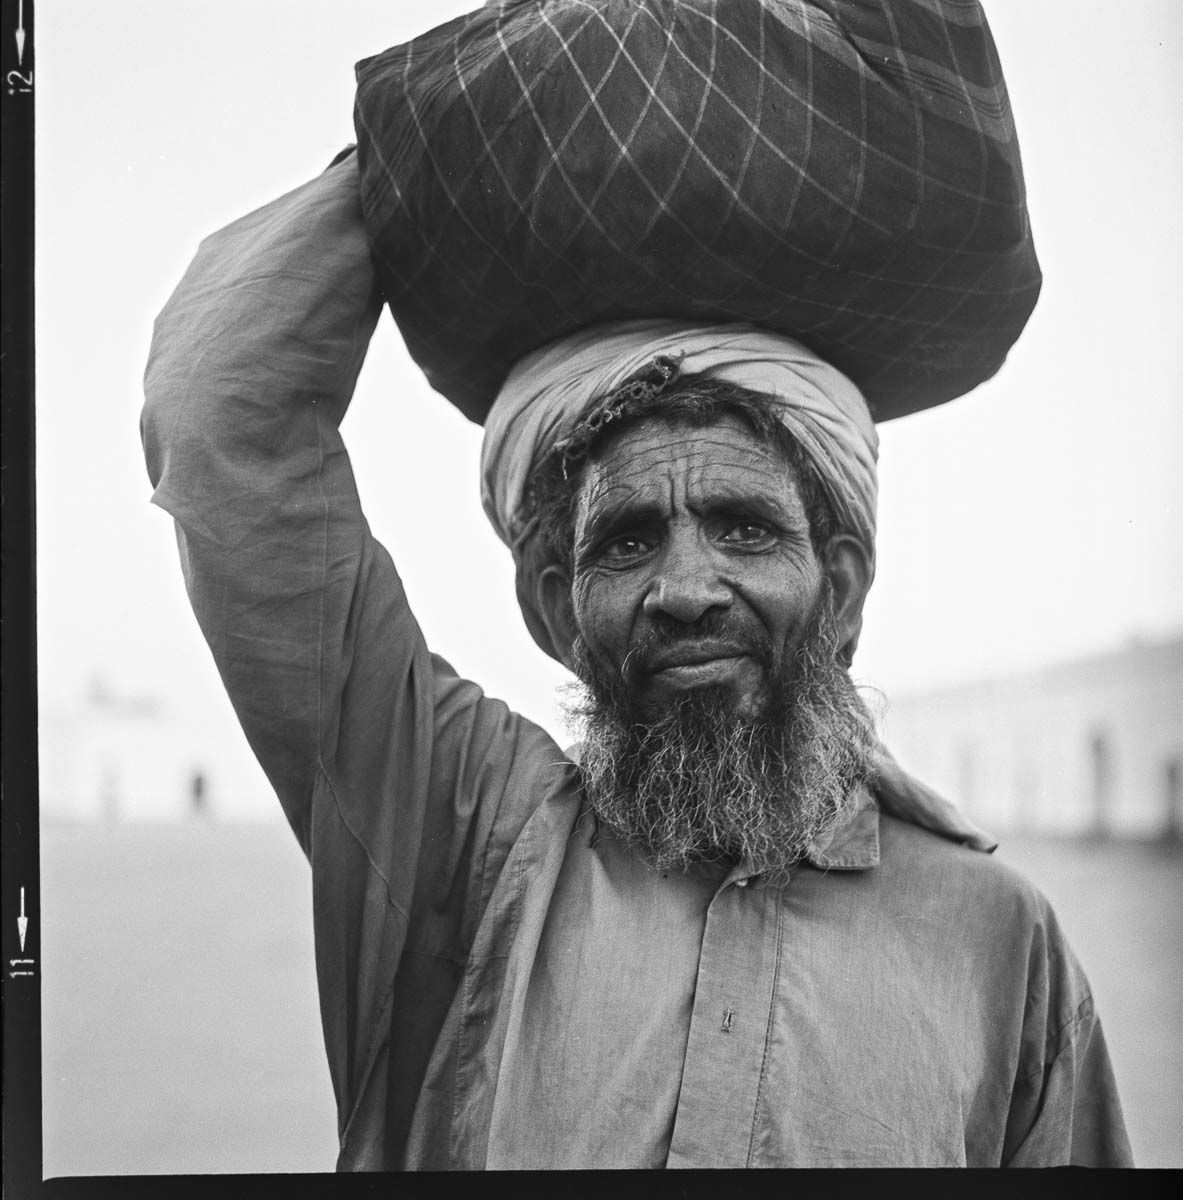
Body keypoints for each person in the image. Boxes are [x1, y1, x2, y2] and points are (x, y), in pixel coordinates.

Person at [142, 152, 1132, 1170]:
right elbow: (218, 417)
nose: (686, 588)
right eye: (626, 541)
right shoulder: (471, 840)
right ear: (557, 608)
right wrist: (429, 147)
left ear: (837, 589)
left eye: (744, 528)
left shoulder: (998, 940)